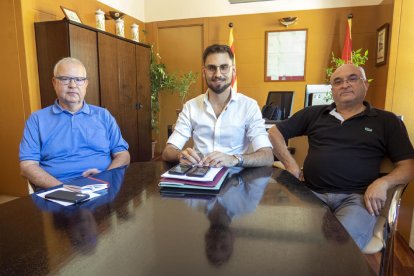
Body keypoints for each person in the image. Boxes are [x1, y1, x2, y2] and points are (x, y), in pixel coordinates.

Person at [268, 64, 414, 249]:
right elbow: (274, 133)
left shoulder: (386, 121)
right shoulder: (314, 114)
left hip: (357, 199)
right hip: (311, 193)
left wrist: (383, 183)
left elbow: (409, 166)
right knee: (286, 239)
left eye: (352, 78)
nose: (344, 85)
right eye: (338, 82)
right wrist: (291, 165)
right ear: (332, 90)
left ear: (365, 84)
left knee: (338, 248)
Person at [20, 57, 130, 190]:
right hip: (57, 190)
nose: (73, 85)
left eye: (79, 80)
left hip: (102, 186)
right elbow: (27, 166)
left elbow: (123, 154)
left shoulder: (103, 115)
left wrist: (105, 177)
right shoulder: (37, 120)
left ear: (86, 84)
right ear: (54, 82)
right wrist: (64, 189)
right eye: (65, 79)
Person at [162, 44, 273, 168]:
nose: (218, 74)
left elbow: (267, 156)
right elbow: (168, 151)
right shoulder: (190, 107)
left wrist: (235, 159)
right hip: (199, 176)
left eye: (224, 67)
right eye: (211, 68)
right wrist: (180, 155)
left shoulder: (249, 106)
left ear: (233, 71)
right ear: (204, 72)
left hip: (236, 179)